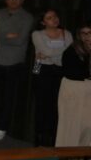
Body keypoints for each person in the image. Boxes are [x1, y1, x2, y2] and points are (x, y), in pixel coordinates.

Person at [0, 0, 34, 140]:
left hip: (14, 63)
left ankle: (2, 127)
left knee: (8, 98)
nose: (14, 0)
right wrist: (8, 35)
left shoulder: (27, 17)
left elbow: (19, 40)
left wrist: (0, 33)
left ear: (22, 1)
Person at [31, 9, 72, 147]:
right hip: (41, 70)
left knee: (56, 105)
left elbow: (69, 53)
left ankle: (53, 138)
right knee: (42, 105)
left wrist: (50, 55)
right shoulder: (37, 34)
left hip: (60, 71)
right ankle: (39, 137)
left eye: (55, 16)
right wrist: (54, 53)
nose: (54, 19)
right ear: (43, 22)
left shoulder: (67, 34)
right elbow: (47, 51)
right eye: (49, 17)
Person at [56, 23, 91, 149]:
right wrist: (87, 74)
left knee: (87, 124)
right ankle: (67, 154)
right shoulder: (73, 50)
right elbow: (70, 72)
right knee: (71, 123)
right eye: (84, 33)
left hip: (87, 89)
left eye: (90, 32)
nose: (87, 36)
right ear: (79, 36)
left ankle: (84, 152)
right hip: (73, 88)